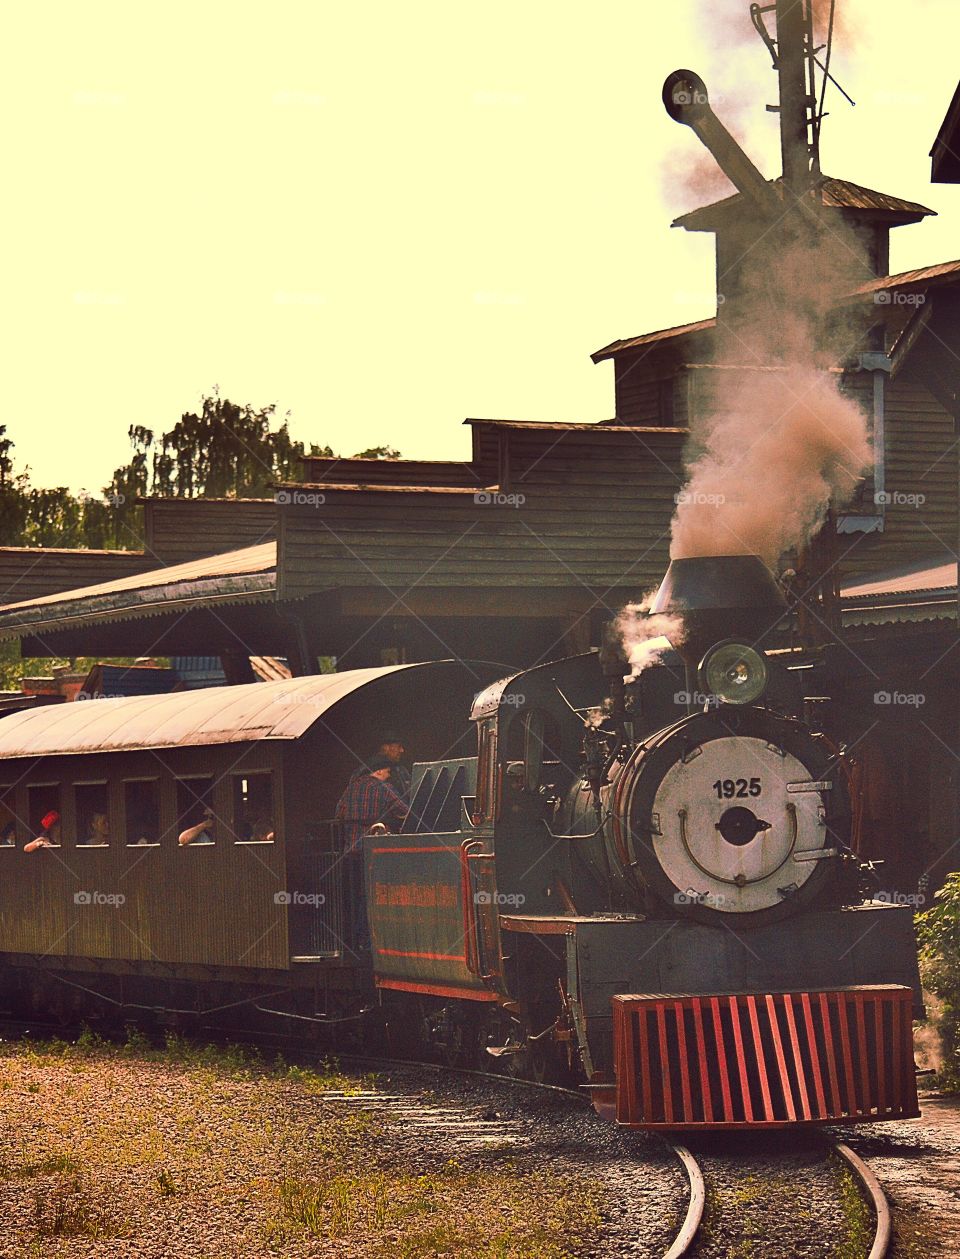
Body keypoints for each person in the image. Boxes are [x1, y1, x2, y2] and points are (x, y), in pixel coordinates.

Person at [334, 755, 407, 952]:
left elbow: (338, 814)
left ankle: (354, 940)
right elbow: (404, 811)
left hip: (351, 851)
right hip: (374, 853)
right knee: (372, 897)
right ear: (380, 771)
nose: (389, 777)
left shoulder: (351, 789)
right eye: (388, 773)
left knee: (355, 896)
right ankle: (369, 940)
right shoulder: (384, 789)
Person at [349, 732, 411, 801]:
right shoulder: (362, 771)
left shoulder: (401, 771)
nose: (402, 750)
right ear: (385, 747)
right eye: (399, 746)